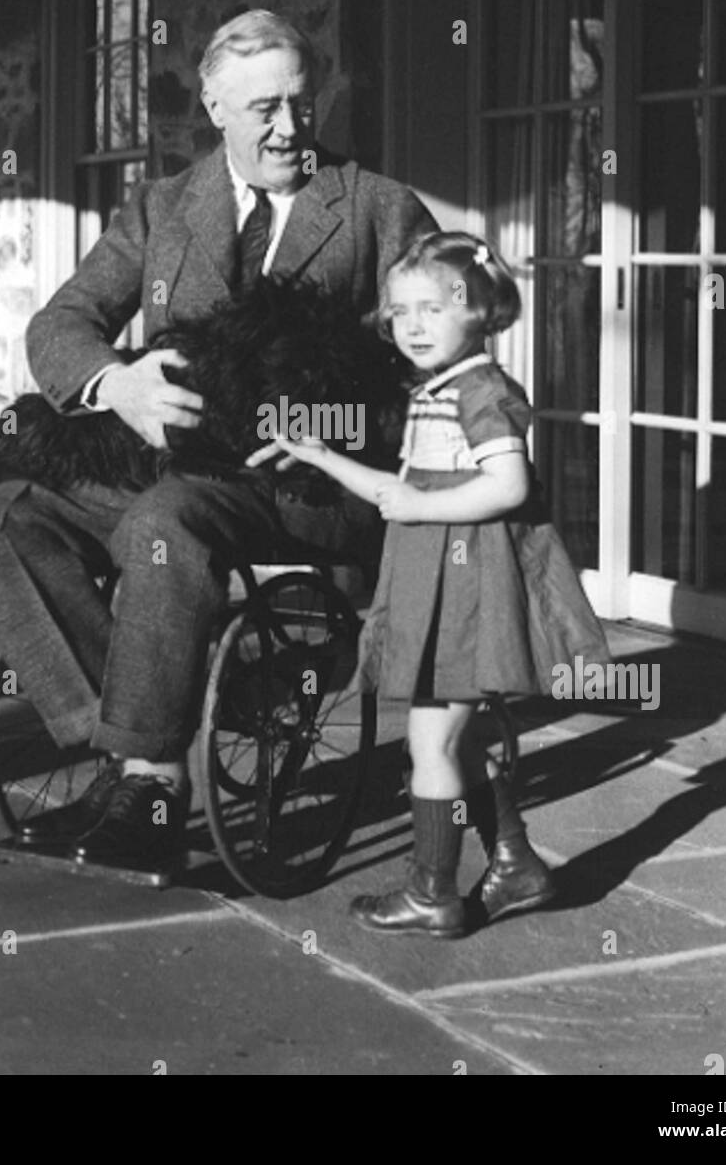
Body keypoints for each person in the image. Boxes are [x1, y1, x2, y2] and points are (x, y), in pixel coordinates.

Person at [0, 10, 438, 880]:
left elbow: (434, 375)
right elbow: (60, 322)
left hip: (299, 488)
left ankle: (155, 786)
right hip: (170, 465)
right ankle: (135, 746)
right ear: (214, 105)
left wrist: (335, 435)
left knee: (161, 521)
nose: (288, 128)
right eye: (263, 109)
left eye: (299, 102)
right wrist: (117, 385)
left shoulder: (376, 209)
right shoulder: (165, 205)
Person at [274, 232, 612, 938]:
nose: (412, 325)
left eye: (432, 308)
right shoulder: (440, 390)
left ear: (481, 312)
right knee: (450, 740)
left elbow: (508, 485)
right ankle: (515, 863)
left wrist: (423, 506)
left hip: (468, 591)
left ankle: (433, 894)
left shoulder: (482, 391)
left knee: (430, 743)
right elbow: (398, 491)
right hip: (439, 584)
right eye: (399, 312)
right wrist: (322, 455)